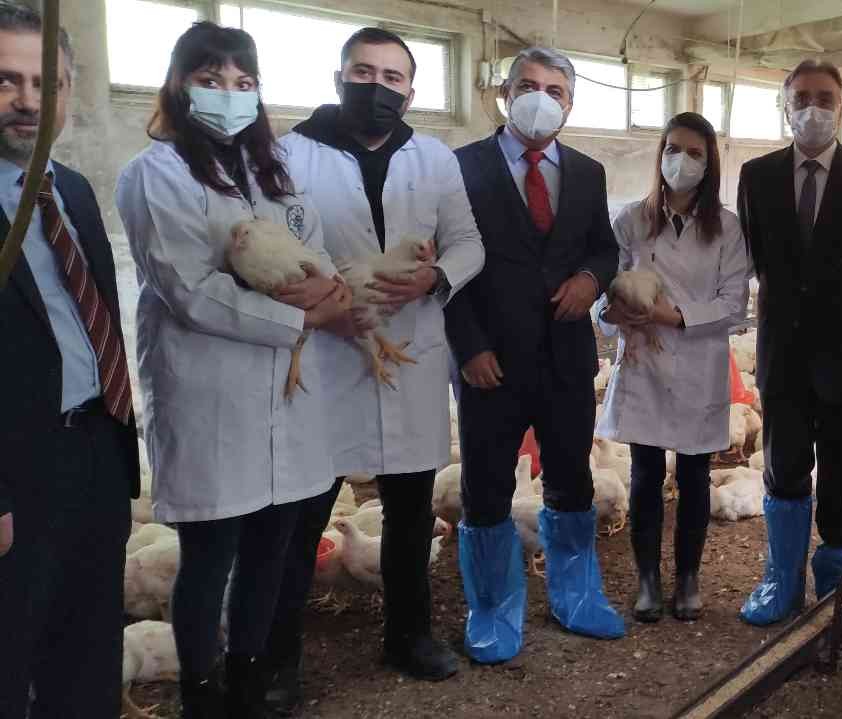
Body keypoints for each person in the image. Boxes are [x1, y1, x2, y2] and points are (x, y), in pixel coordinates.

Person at [116, 22, 350, 718]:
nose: (229, 94)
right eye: (211, 79)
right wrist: (306, 315)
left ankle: (248, 682)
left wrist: (328, 293)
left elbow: (316, 252)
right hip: (209, 392)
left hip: (286, 396)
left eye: (243, 82)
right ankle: (202, 693)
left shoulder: (274, 172)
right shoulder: (154, 175)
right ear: (179, 86)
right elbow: (191, 290)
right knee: (209, 553)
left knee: (270, 550)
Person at [264, 26, 485, 704]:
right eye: (364, 72)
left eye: (393, 77)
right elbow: (271, 251)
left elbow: (468, 242)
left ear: (410, 92)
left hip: (410, 353)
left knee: (411, 509)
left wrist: (435, 279)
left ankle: (409, 634)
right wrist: (321, 308)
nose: (377, 87)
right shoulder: (289, 154)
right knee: (303, 516)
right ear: (339, 78)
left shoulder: (434, 158)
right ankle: (278, 660)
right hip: (325, 357)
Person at [447, 45, 624, 658]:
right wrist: (468, 346)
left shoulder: (588, 172)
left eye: (555, 91)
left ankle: (577, 596)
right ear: (504, 94)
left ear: (570, 105)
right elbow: (445, 264)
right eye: (527, 86)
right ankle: (493, 610)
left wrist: (591, 280)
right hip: (490, 361)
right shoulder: (460, 167)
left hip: (566, 357)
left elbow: (604, 247)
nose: (540, 99)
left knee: (572, 477)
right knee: (487, 485)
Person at [0, 8, 140, 718]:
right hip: (14, 472)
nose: (29, 101)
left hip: (95, 453)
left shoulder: (75, 189)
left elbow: (96, 320)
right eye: (7, 81)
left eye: (45, 83)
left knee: (87, 653)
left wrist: (116, 451)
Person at [735, 59, 842, 626]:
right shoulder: (757, 176)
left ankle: (839, 583)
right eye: (802, 97)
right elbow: (749, 259)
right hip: (782, 354)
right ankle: (781, 578)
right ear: (785, 106)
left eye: (825, 98)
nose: (813, 108)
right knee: (783, 466)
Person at [596, 111, 750, 622]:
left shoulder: (727, 228)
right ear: (659, 154)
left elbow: (733, 303)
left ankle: (687, 576)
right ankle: (647, 578)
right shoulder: (630, 220)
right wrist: (614, 313)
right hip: (643, 361)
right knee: (643, 473)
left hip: (698, 363)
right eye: (672, 149)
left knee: (694, 474)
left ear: (709, 164)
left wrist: (669, 315)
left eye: (694, 153)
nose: (681, 161)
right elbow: (605, 290)